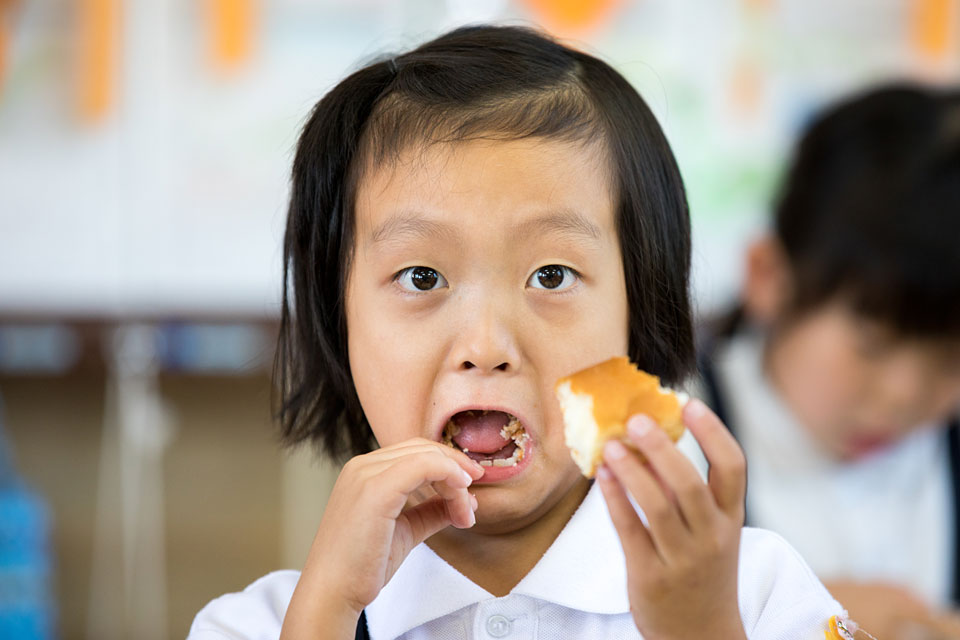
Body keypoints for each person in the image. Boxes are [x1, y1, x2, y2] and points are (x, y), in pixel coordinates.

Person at [188, 25, 850, 639]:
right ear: (338, 321)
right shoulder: (260, 624)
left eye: (551, 276)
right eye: (422, 277)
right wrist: (326, 613)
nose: (486, 347)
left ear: (639, 307)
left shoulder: (754, 594)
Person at [698, 85, 960, 639]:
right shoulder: (670, 435)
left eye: (950, 360)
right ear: (769, 275)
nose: (903, 395)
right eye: (873, 342)